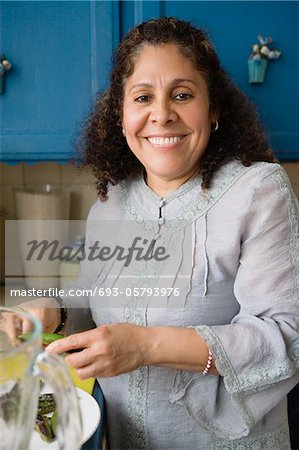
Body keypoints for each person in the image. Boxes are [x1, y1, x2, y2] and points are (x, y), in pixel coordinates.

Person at [14, 18, 299, 450]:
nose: (161, 114)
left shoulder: (257, 191)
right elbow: (89, 297)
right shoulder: (110, 203)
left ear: (214, 107)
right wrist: (50, 312)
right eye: (143, 97)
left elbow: (285, 336)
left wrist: (147, 345)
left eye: (182, 95)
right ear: (121, 114)